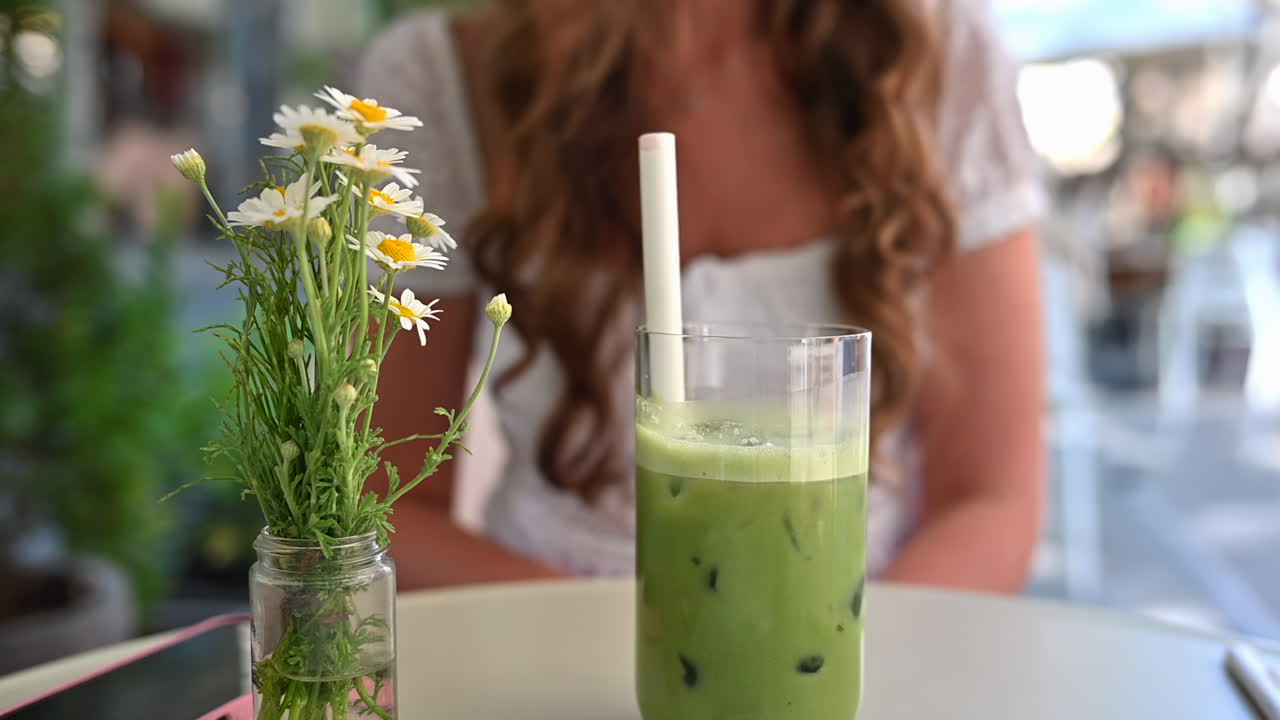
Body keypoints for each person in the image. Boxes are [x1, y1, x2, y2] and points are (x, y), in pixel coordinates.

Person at [359, 0, 1047, 592]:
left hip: (863, 647)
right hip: (539, 646)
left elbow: (991, 501)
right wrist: (643, 637)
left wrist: (828, 653)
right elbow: (385, 504)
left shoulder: (940, 59)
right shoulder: (440, 78)